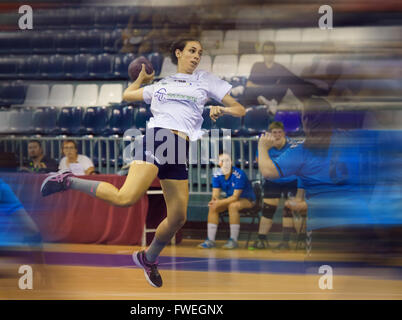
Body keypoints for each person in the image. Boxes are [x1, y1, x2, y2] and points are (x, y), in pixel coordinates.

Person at [40, 38, 246, 288]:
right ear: (178, 53)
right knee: (125, 198)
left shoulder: (206, 80)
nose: (196, 56)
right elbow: (128, 95)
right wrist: (141, 79)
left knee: (178, 217)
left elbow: (240, 109)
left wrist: (221, 110)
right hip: (158, 138)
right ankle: (67, 180)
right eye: (191, 51)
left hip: (180, 150)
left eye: (200, 53)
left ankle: (148, 258)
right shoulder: (162, 84)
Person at [257, 97, 376, 257]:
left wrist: (262, 147)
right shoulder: (350, 139)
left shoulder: (302, 150)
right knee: (361, 278)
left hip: (326, 227)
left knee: (323, 279)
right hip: (360, 221)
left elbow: (268, 171)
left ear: (306, 120)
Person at [251, 121, 301, 250]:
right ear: (270, 134)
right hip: (273, 180)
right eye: (274, 133)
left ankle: (286, 242)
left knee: (289, 209)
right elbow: (259, 162)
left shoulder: (292, 145)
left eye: (279, 132)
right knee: (268, 209)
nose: (277, 135)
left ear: (284, 133)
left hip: (291, 180)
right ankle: (261, 240)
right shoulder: (266, 144)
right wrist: (265, 150)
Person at [198, 153, 256, 249]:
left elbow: (235, 197)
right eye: (222, 161)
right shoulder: (217, 174)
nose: (225, 163)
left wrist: (219, 202)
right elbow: (215, 194)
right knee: (213, 206)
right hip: (231, 199)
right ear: (219, 163)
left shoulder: (239, 174)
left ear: (231, 162)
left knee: (233, 206)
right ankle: (210, 240)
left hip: (248, 200)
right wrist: (214, 200)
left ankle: (233, 240)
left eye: (228, 160)